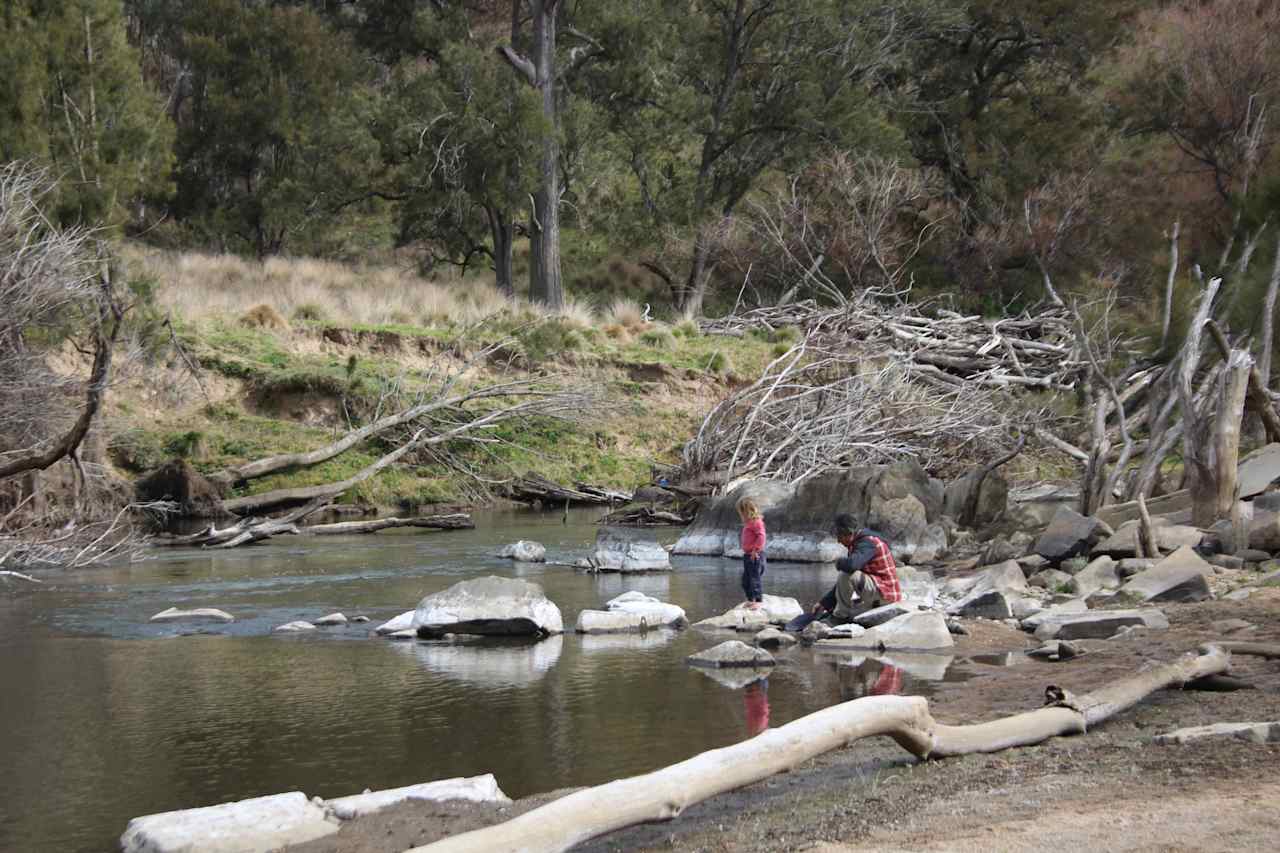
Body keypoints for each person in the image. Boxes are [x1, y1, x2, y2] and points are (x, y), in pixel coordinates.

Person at [811, 513, 901, 624]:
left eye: (839, 536)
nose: (839, 541)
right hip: (880, 591)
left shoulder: (867, 542)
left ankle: (840, 617)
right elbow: (842, 584)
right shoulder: (858, 543)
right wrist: (824, 603)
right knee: (846, 576)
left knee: (846, 574)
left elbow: (852, 566)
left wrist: (839, 562)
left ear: (849, 534)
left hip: (886, 594)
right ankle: (839, 612)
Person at [737, 497, 767, 610]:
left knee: (754, 578)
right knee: (745, 580)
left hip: (755, 555)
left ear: (748, 511)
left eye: (742, 512)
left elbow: (761, 536)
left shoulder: (756, 522)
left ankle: (758, 600)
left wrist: (756, 550)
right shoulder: (749, 523)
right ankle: (750, 599)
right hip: (748, 555)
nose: (741, 515)